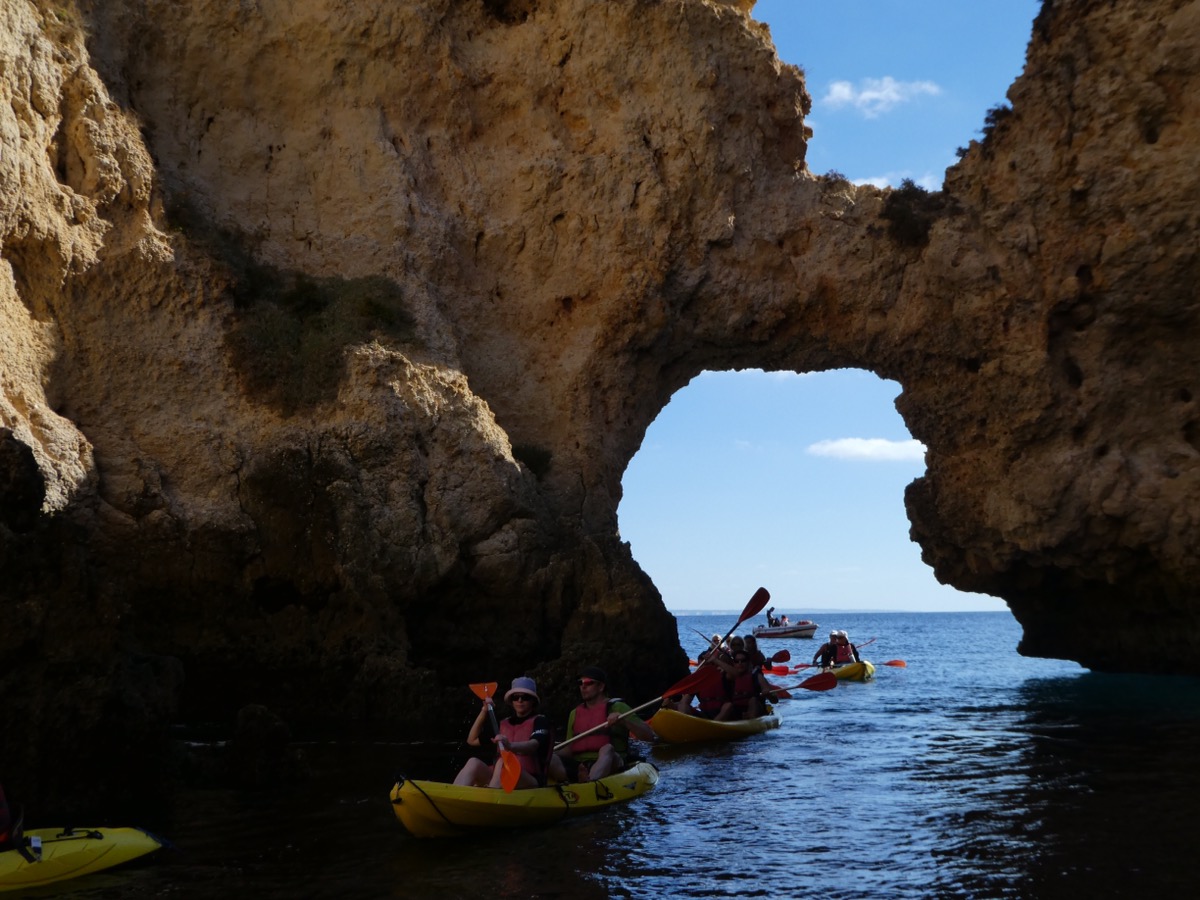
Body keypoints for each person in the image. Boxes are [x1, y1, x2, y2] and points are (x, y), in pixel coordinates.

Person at [555, 667, 655, 782]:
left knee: (607, 749)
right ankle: (568, 780)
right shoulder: (574, 713)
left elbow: (649, 737)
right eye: (580, 683)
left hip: (611, 761)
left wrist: (624, 721)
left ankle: (589, 782)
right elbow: (569, 748)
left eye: (588, 683)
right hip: (580, 764)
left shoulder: (617, 707)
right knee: (550, 756)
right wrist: (550, 753)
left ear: (601, 687)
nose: (583, 686)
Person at [452, 676, 554, 789]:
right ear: (511, 700)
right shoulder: (503, 724)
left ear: (533, 701)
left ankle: (490, 798)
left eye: (525, 697)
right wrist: (484, 711)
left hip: (530, 780)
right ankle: (453, 796)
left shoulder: (541, 721)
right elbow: (472, 740)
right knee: (473, 762)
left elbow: (533, 745)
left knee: (503, 763)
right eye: (516, 697)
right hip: (501, 777)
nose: (520, 700)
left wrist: (510, 745)